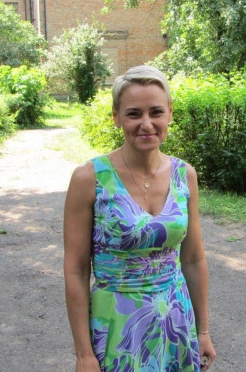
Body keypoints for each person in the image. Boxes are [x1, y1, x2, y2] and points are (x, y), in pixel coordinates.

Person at [63, 65, 217, 371]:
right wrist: (83, 354)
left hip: (175, 321)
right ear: (116, 117)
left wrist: (203, 332)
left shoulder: (184, 175)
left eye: (156, 112)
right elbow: (76, 270)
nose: (146, 124)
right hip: (118, 327)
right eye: (134, 114)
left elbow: (193, 259)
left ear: (169, 113)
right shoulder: (89, 178)